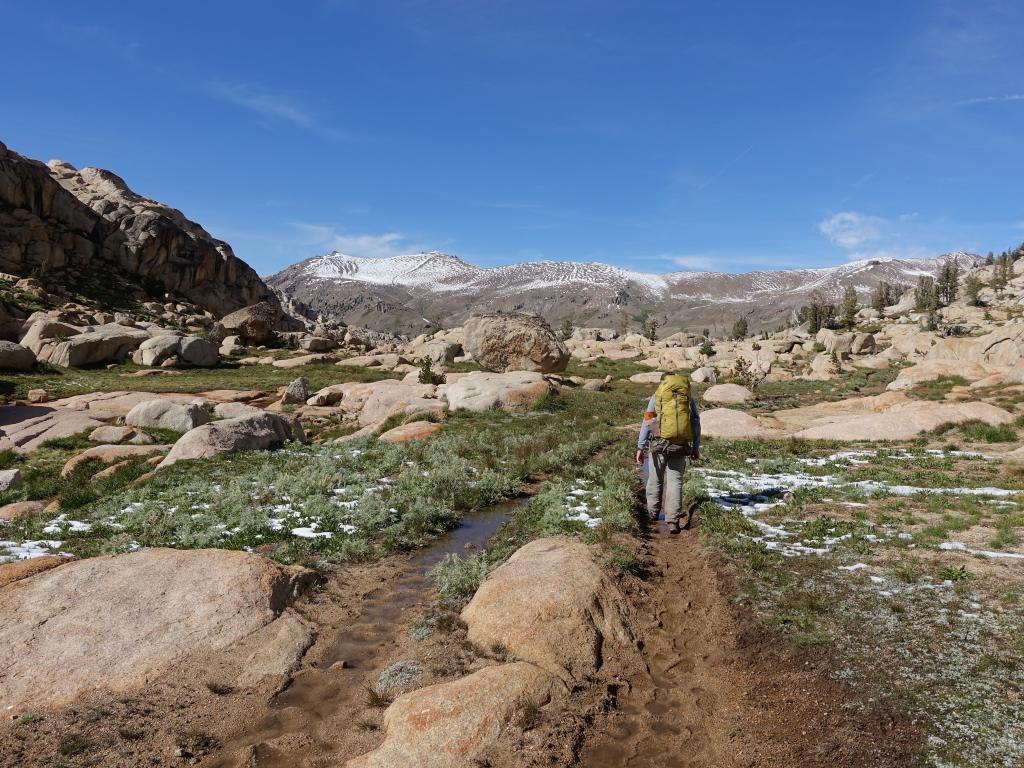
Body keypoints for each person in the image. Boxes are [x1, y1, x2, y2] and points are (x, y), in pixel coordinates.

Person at [634, 372, 701, 533]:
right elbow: (695, 421)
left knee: (655, 479)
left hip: (659, 445)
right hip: (680, 445)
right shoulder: (686, 396)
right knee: (675, 482)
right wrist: (695, 446)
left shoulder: (657, 396)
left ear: (662, 383)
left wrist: (640, 447)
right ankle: (672, 521)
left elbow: (648, 420)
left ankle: (653, 513)